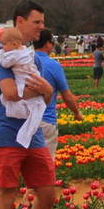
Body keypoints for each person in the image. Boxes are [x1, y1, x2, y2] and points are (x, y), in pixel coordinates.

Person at [0, 0, 59, 209]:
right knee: (7, 194)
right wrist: (40, 91)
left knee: (48, 194)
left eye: (42, 22)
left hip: (33, 133)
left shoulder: (34, 57)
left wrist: (47, 89)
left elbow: (47, 96)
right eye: (37, 22)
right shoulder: (0, 53)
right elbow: (10, 92)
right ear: (20, 21)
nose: (42, 27)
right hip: (6, 133)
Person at [33, 28, 83, 157]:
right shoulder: (52, 65)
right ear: (48, 44)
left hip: (24, 122)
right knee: (46, 164)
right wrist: (76, 113)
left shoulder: (25, 62)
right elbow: (67, 96)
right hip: (45, 120)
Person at [0, 26, 48, 146]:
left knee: (14, 103)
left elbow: (4, 63)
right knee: (33, 104)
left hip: (24, 80)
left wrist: (1, 53)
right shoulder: (28, 52)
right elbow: (46, 92)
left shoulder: (14, 55)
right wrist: (44, 91)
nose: (1, 47)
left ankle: (27, 117)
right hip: (31, 79)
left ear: (14, 44)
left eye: (4, 44)